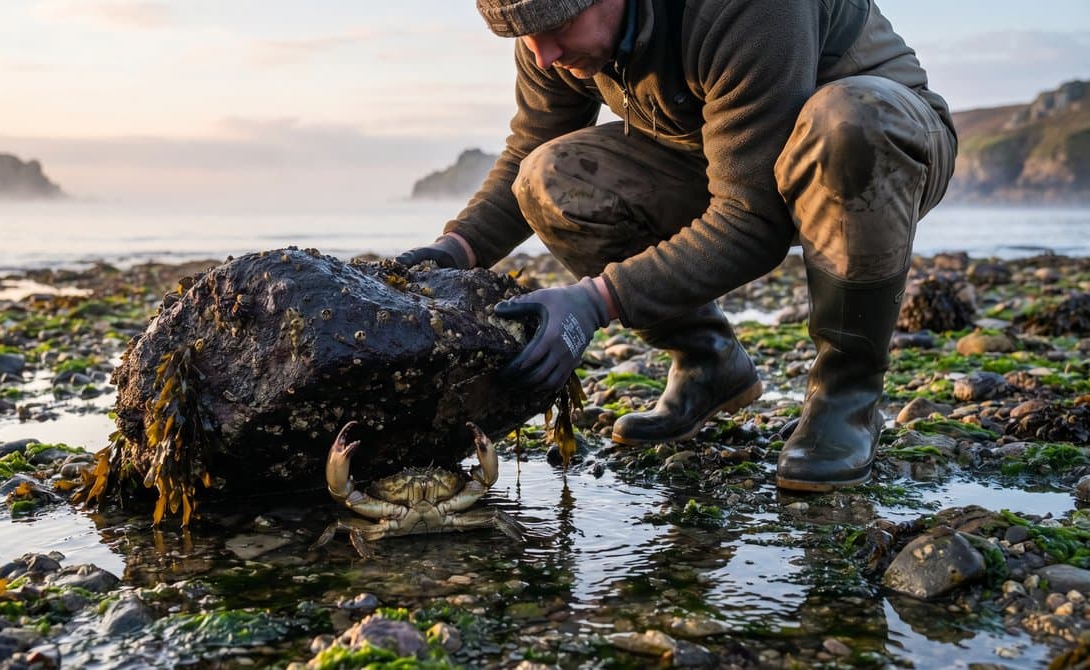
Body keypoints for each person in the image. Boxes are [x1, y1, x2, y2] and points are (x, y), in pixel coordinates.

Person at [395, 0, 956, 492]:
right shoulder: (554, 40)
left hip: (877, 140)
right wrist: (454, 248)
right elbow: (529, 149)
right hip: (720, 152)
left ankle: (847, 394)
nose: (541, 54)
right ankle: (707, 363)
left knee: (846, 123)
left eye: (557, 25)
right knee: (550, 177)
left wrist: (597, 301)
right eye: (525, 36)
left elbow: (750, 221)